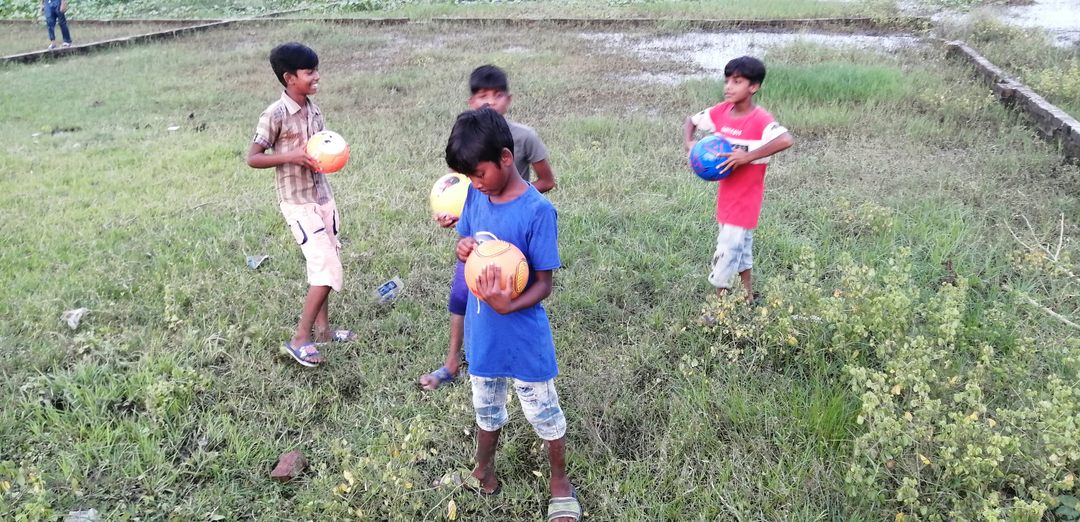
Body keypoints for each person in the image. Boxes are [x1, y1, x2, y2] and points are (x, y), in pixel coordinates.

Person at [441, 107, 579, 522]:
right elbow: (468, 243)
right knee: (486, 408)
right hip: (483, 334)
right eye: (468, 177)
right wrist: (463, 248)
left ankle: (559, 483)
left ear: (505, 158)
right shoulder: (475, 196)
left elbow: (544, 284)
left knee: (543, 412)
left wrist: (510, 305)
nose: (475, 183)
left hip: (523, 338)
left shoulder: (538, 211)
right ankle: (483, 471)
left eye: (479, 173)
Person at [419, 64, 557, 390]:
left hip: (513, 255)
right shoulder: (474, 183)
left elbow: (547, 181)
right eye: (482, 96)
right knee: (461, 298)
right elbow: (466, 224)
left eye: (496, 95)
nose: (489, 102)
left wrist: (516, 207)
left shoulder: (525, 142)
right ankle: (453, 362)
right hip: (481, 256)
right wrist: (462, 243)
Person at [246, 42, 355, 367]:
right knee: (327, 267)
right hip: (298, 203)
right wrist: (291, 156)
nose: (317, 76)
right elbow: (253, 158)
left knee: (325, 261)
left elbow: (319, 150)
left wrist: (334, 155)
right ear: (289, 77)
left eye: (317, 70)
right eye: (310, 72)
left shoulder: (315, 111)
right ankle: (300, 339)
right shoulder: (274, 115)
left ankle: (323, 331)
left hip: (322, 196)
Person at [682, 56, 794, 301]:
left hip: (745, 200)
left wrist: (748, 157)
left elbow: (786, 139)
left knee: (726, 251)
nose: (728, 87)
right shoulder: (721, 112)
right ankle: (748, 297)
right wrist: (690, 144)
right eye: (727, 81)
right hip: (727, 197)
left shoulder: (760, 119)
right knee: (742, 250)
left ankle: (718, 308)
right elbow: (691, 121)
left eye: (737, 81)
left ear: (753, 87)